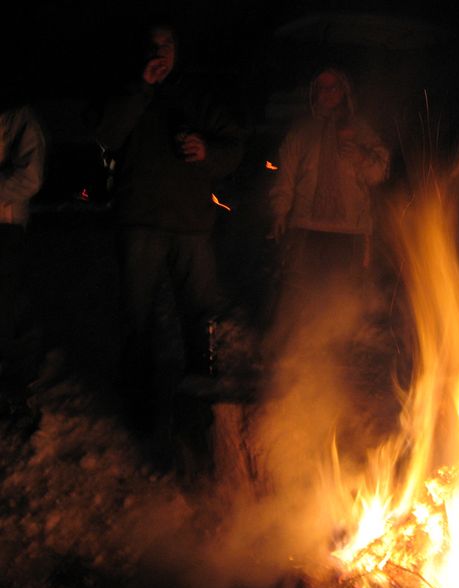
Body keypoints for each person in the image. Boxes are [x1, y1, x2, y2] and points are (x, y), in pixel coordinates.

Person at [95, 20, 244, 452]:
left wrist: (208, 152)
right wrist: (141, 89)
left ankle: (201, 409)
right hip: (139, 222)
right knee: (137, 317)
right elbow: (106, 135)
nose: (160, 52)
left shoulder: (196, 96)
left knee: (200, 316)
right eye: (153, 45)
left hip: (191, 225)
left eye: (167, 44)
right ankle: (141, 407)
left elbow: (234, 146)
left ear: (178, 50)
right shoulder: (126, 91)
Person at [266, 67, 389, 354]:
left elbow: (378, 174)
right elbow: (286, 176)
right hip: (307, 226)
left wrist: (360, 156)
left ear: (344, 91)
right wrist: (280, 212)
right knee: (300, 294)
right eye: (322, 88)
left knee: (343, 295)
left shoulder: (360, 130)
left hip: (349, 230)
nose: (327, 93)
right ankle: (296, 354)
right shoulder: (302, 132)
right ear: (314, 93)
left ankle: (339, 354)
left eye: (333, 87)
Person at [0, 98, 46, 408]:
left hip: (6, 227)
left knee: (6, 306)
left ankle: (13, 386)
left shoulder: (20, 118)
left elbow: (30, 177)